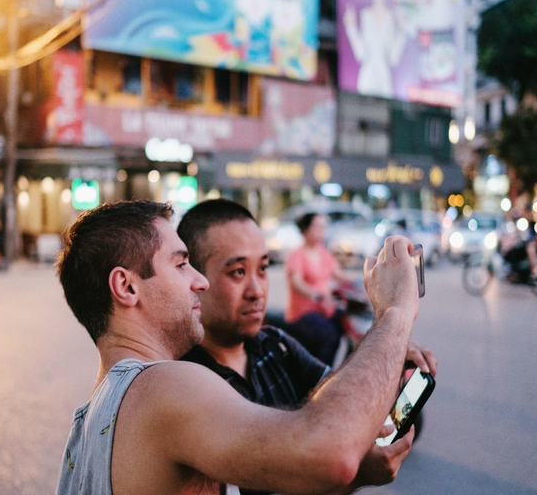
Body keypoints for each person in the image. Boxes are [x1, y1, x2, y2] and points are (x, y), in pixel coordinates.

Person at [55, 200, 421, 495]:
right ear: (127, 287)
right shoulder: (162, 388)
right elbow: (331, 452)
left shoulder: (93, 417)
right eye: (181, 265)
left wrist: (352, 476)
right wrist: (395, 312)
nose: (199, 282)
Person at [177, 199, 437, 494]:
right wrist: (394, 315)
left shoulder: (274, 345)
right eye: (237, 272)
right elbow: (328, 456)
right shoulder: (187, 382)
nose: (257, 290)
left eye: (262, 269)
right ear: (195, 280)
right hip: (306, 313)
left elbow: (343, 411)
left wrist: (387, 357)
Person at [284, 212, 354, 365]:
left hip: (325, 309)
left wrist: (364, 278)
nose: (322, 230)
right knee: (330, 335)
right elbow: (297, 283)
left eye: (324, 226)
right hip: (304, 312)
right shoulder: (297, 254)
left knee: (349, 325)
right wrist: (317, 293)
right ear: (306, 229)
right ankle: (319, 376)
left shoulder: (323, 252)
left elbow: (338, 274)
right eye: (318, 226)